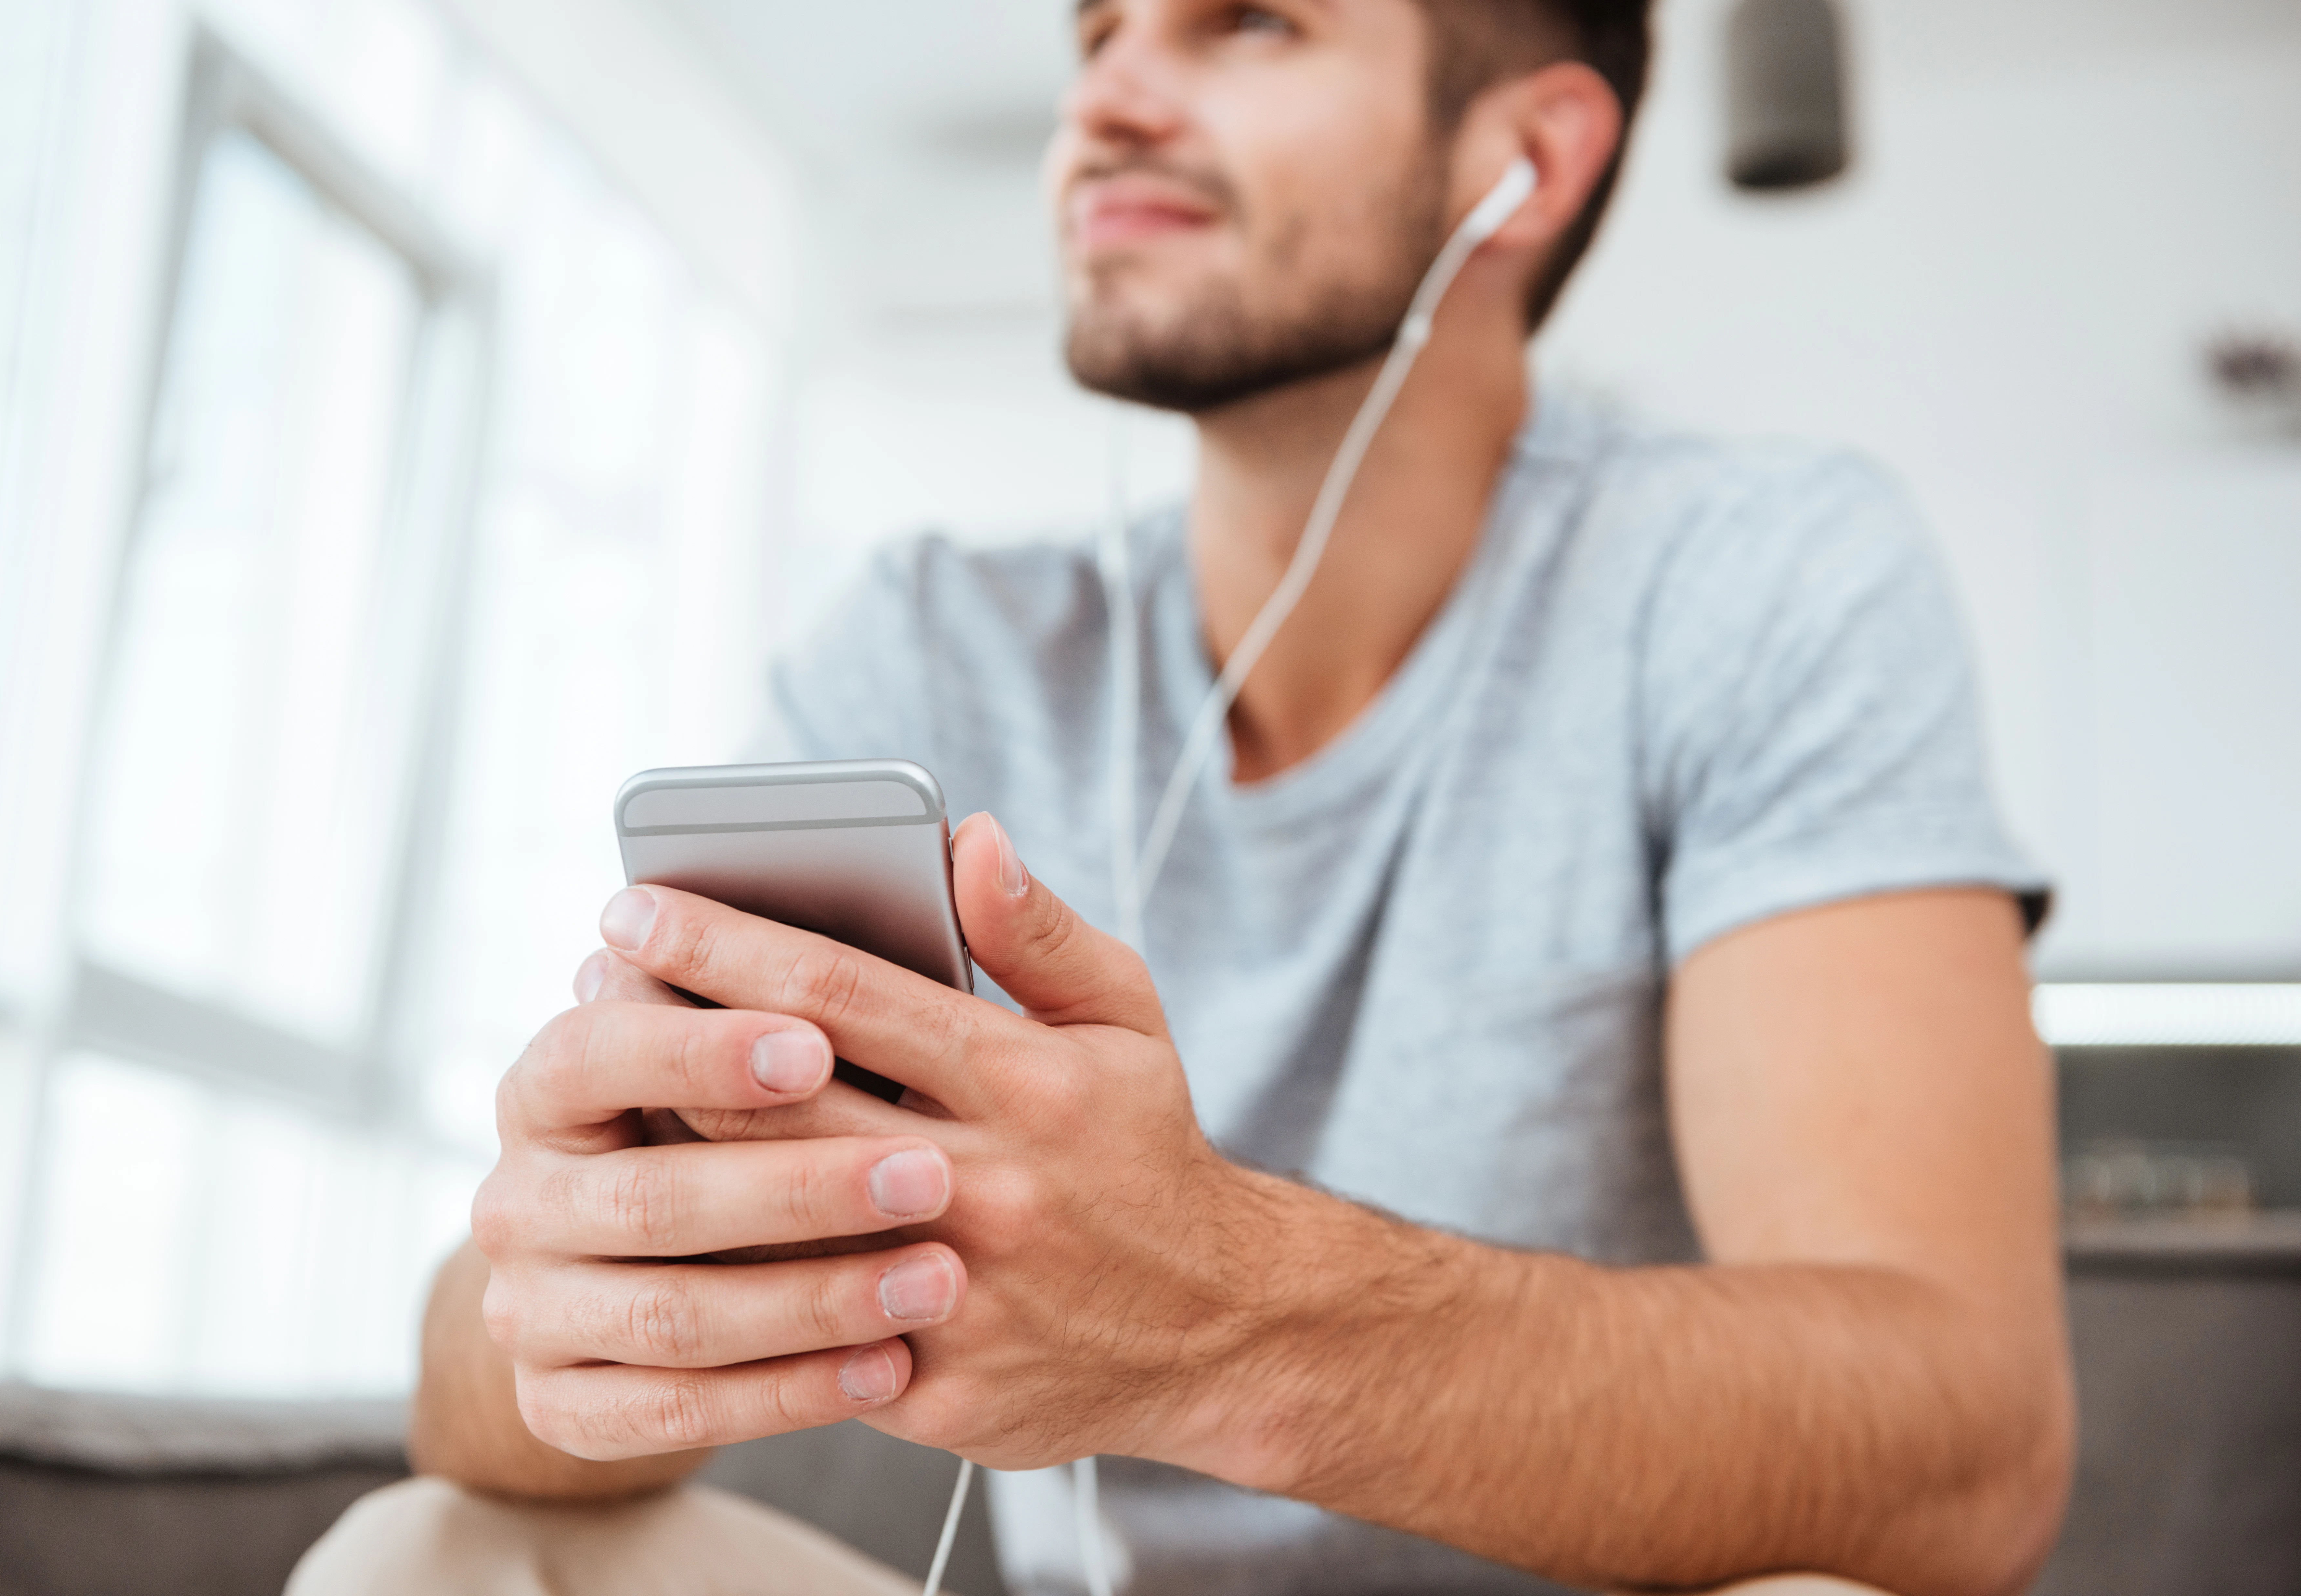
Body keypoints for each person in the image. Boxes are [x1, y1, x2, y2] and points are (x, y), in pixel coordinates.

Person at [293, 1, 2075, 1592]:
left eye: (1247, 26)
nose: (1113, 97)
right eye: (1095, 33)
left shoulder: (1760, 576)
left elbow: (1963, 1453)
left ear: (1522, 158)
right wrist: (585, 1268)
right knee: (436, 1549)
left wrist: (1230, 1324)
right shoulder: (930, 642)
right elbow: (500, 1384)